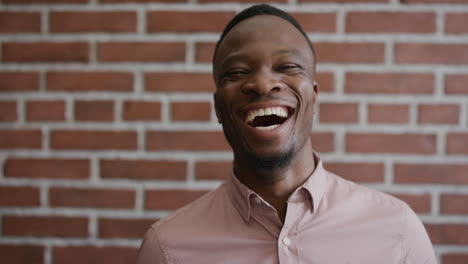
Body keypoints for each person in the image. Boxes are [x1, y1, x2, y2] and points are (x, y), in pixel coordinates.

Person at [137, 4, 437, 264]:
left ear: (314, 97)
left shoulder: (397, 231)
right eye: (237, 72)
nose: (263, 84)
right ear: (218, 107)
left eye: (288, 66)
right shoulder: (167, 249)